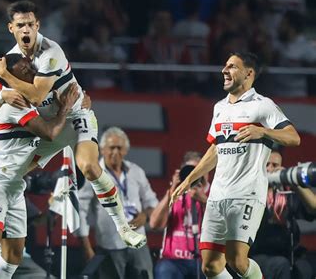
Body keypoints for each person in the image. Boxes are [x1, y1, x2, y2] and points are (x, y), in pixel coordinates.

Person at [0, 0, 146, 250]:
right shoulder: (9, 59)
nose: (27, 30)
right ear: (12, 28)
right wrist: (0, 95)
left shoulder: (50, 52)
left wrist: (6, 76)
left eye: (31, 24)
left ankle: (124, 228)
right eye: (21, 25)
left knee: (88, 167)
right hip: (51, 125)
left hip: (74, 117)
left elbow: (37, 97)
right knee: (9, 176)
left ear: (38, 25)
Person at [171, 51, 301, 279]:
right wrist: (189, 179)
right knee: (210, 266)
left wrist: (262, 131)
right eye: (225, 66)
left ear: (248, 73)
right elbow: (215, 150)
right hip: (218, 194)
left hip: (247, 193)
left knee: (237, 260)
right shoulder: (219, 107)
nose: (224, 70)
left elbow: (294, 137)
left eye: (231, 66)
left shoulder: (263, 105)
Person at [0, 53, 79, 279]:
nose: (32, 73)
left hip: (14, 186)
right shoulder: (16, 105)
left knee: (12, 257)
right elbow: (51, 133)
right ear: (12, 78)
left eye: (31, 68)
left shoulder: (29, 102)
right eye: (25, 71)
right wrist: (66, 108)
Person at [76, 127, 158, 279]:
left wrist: (146, 216)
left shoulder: (135, 171)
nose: (115, 152)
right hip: (109, 244)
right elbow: (81, 209)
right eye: (111, 148)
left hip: (138, 241)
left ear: (126, 150)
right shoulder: (93, 172)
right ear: (101, 149)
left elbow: (152, 202)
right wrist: (86, 246)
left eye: (119, 148)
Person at [250, 149, 315, 279]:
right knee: (281, 265)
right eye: (266, 165)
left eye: (275, 165)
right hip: (257, 254)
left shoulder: (286, 193)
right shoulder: (249, 192)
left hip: (290, 253)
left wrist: (292, 180)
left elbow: (313, 208)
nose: (270, 169)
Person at [150, 151, 208, 279]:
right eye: (190, 172)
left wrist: (204, 200)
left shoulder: (214, 193)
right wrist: (171, 192)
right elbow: (154, 224)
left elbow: (227, 227)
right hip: (173, 261)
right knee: (164, 269)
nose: (194, 176)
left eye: (199, 171)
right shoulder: (174, 195)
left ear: (206, 173)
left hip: (205, 261)